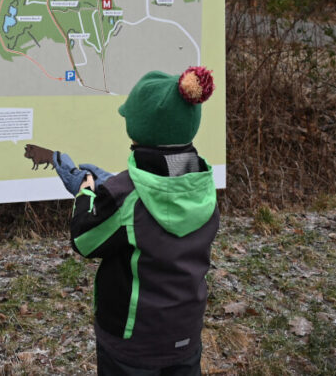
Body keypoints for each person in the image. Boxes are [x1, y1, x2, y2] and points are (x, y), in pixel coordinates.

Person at [59, 66, 220, 375]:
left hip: (132, 345)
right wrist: (113, 184)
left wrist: (86, 192)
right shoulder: (202, 186)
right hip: (184, 336)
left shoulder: (125, 198)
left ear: (141, 128)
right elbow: (162, 187)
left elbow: (84, 239)